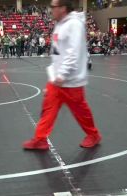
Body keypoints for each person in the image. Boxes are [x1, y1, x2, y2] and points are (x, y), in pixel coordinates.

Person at [23, 0, 102, 150]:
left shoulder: (74, 25)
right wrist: (54, 75)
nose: (50, 9)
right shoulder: (60, 24)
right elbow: (58, 52)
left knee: (81, 112)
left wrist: (62, 75)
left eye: (53, 7)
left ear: (63, 8)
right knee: (48, 109)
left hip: (71, 81)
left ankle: (93, 135)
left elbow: (73, 53)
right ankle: (40, 139)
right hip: (58, 80)